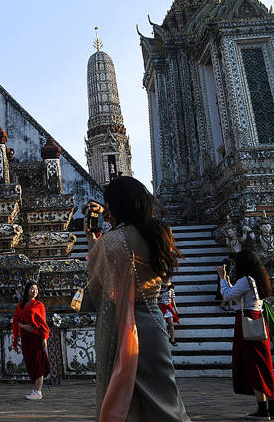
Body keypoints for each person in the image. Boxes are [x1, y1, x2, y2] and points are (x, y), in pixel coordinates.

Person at [86, 176, 189, 422]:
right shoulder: (161, 232)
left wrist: (93, 238)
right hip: (154, 321)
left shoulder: (112, 241)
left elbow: (97, 289)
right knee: (165, 398)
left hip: (124, 325)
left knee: (126, 402)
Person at [218, 250, 274, 420]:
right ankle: (273, 409)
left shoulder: (246, 280)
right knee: (265, 364)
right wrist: (230, 283)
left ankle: (262, 410)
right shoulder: (258, 279)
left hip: (247, 321)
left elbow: (227, 296)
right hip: (258, 320)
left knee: (253, 363)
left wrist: (222, 278)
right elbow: (240, 297)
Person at [12, 280, 50, 401]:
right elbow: (16, 320)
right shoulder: (21, 305)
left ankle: (38, 391)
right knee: (30, 363)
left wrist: (44, 338)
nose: (35, 291)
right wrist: (21, 329)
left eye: (36, 289)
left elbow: (41, 324)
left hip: (36, 337)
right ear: (27, 291)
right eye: (32, 289)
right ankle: (35, 390)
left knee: (38, 363)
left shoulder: (39, 305)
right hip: (26, 338)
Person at [158, 282, 180, 346]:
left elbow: (173, 300)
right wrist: (159, 296)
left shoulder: (171, 290)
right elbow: (155, 298)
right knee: (163, 324)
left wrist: (176, 309)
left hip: (168, 307)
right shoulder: (159, 288)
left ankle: (172, 339)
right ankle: (164, 339)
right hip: (161, 307)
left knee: (171, 324)